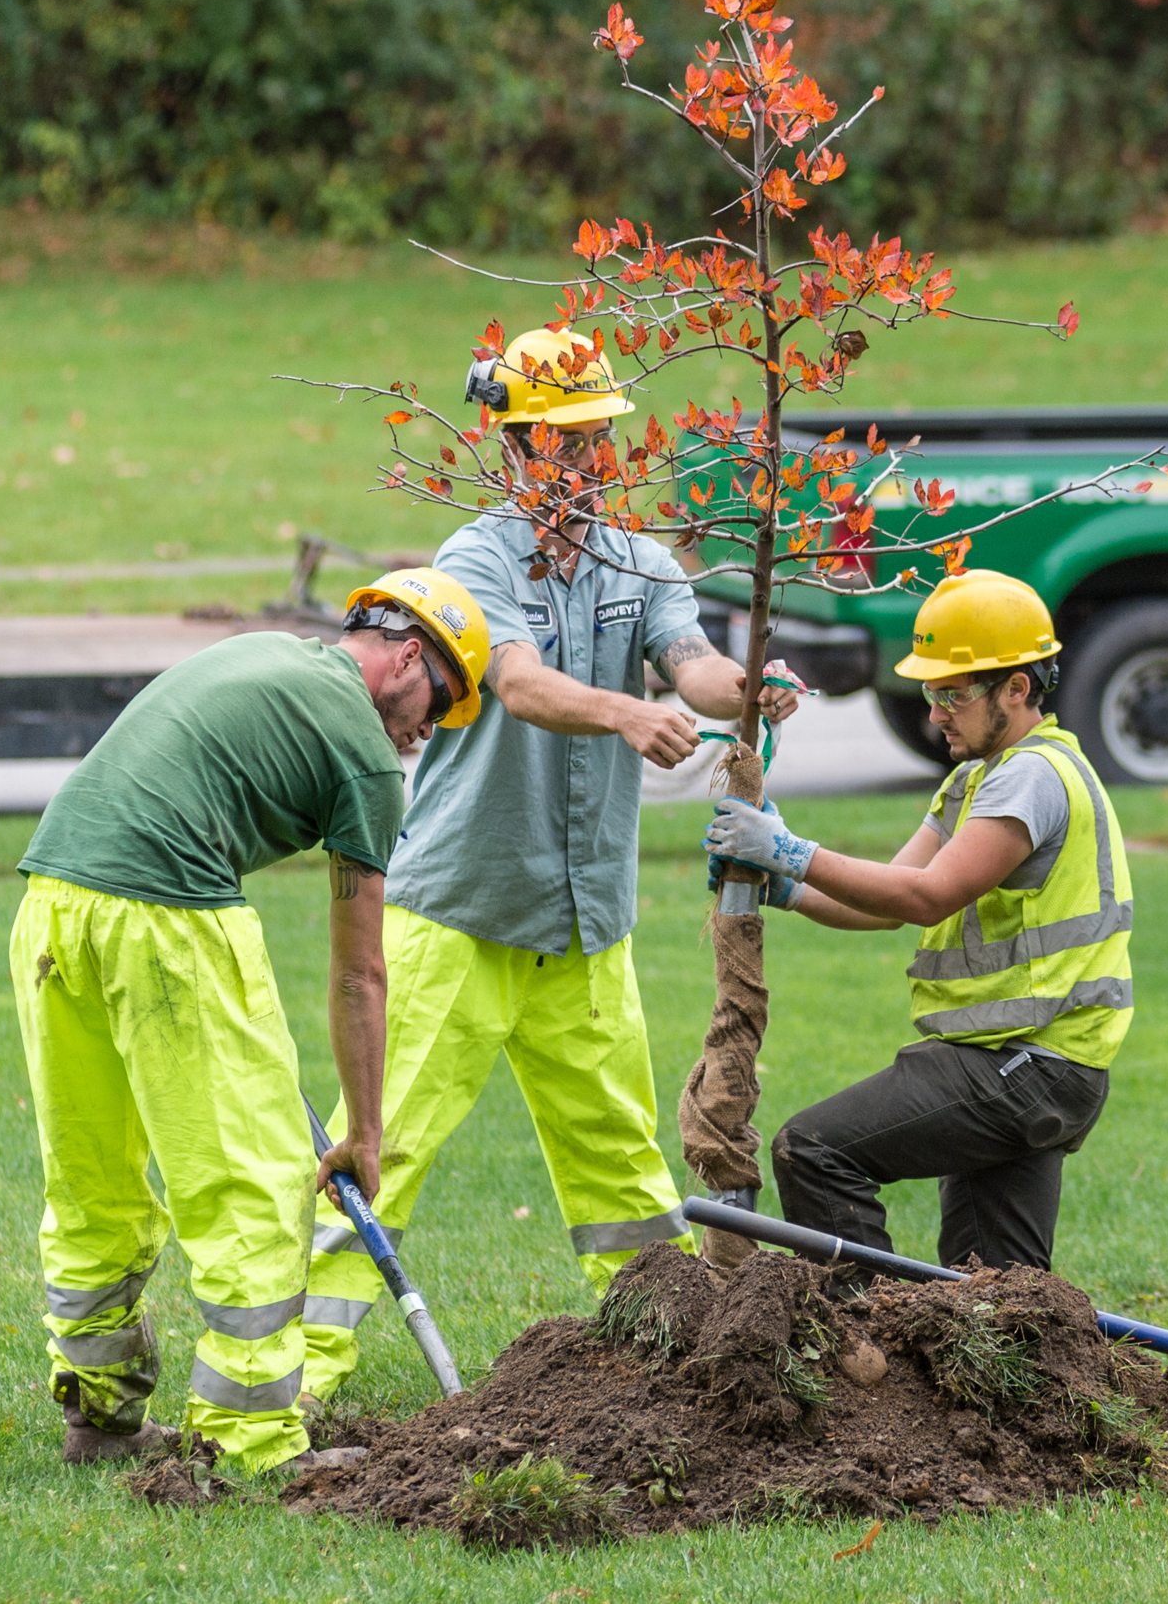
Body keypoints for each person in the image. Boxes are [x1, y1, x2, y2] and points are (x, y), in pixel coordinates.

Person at [301, 327, 799, 1400]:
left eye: (594, 438)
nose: (583, 459)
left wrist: (750, 684)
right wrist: (625, 714)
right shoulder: (475, 560)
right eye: (562, 440)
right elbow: (519, 681)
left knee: (618, 1162)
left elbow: (694, 665)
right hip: (460, 910)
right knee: (381, 1145)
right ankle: (290, 1375)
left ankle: (663, 1362)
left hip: (584, 926)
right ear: (515, 444)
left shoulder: (639, 561)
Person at [6, 568, 489, 1470]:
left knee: (92, 1182)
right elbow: (360, 973)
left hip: (52, 907)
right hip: (167, 919)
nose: (431, 730)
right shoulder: (366, 757)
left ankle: (100, 1416)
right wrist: (366, 1135)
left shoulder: (267, 654)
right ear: (407, 657)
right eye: (442, 701)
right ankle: (254, 1439)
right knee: (256, 1185)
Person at [703, 568, 1130, 1274]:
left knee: (814, 1150)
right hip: (1031, 1063)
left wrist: (791, 850)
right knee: (993, 1285)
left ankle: (864, 1324)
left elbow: (926, 897)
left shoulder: (1032, 775)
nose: (935, 714)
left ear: (1016, 688)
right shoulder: (975, 779)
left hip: (1024, 1065)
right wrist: (787, 886)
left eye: (953, 694)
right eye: (931, 694)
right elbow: (886, 901)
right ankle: (996, 1347)